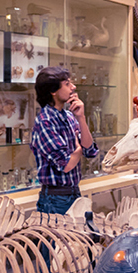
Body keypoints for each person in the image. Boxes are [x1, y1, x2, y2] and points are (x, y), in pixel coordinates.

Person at [31, 67, 97, 214]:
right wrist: (79, 148)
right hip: (55, 199)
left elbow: (90, 150)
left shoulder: (69, 116)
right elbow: (66, 164)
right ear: (53, 91)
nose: (73, 87)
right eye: (67, 84)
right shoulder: (45, 121)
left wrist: (81, 117)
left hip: (74, 192)